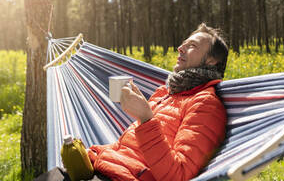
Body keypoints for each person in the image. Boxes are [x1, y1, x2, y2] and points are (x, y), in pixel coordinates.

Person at [35, 23, 229, 181]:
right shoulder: (166, 93)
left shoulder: (206, 104)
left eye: (192, 46)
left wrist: (145, 118)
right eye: (183, 43)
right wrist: (94, 153)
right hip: (103, 169)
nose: (180, 48)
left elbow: (177, 175)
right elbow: (127, 149)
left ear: (212, 61)